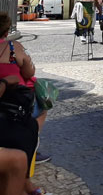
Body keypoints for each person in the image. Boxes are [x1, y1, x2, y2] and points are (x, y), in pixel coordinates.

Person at [0, 13, 49, 195]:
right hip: (15, 99)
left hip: (6, 101)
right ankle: (33, 148)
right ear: (6, 30)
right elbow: (29, 72)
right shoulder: (13, 48)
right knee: (43, 109)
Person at [0, 74, 40, 195]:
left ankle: (25, 179)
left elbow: (27, 72)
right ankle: (24, 180)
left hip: (15, 100)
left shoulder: (12, 54)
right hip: (8, 104)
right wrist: (4, 82)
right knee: (17, 159)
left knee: (30, 124)